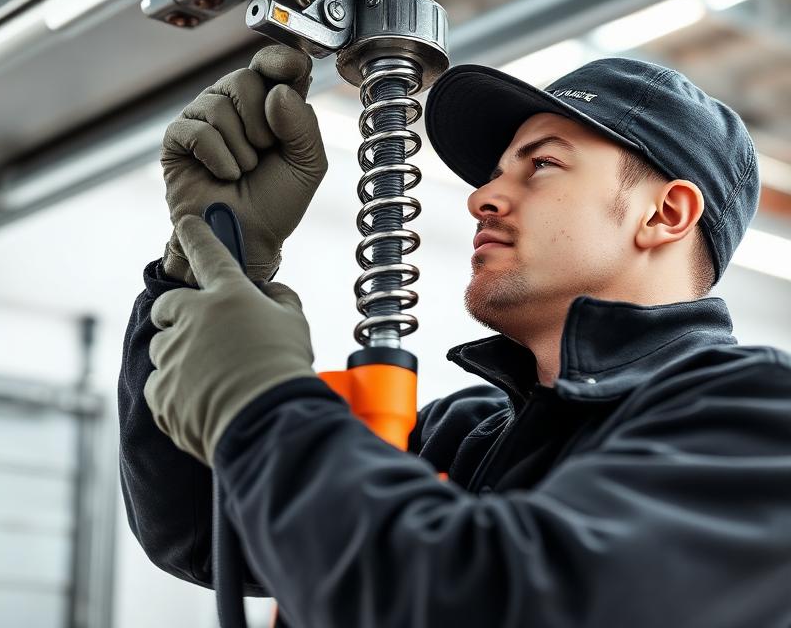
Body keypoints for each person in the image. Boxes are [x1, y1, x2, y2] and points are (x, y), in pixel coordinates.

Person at [119, 48, 791, 627]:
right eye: (495, 172)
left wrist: (261, 406)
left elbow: (509, 602)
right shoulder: (461, 439)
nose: (482, 197)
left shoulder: (758, 418)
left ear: (665, 213)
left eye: (543, 165)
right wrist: (206, 262)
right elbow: (197, 528)